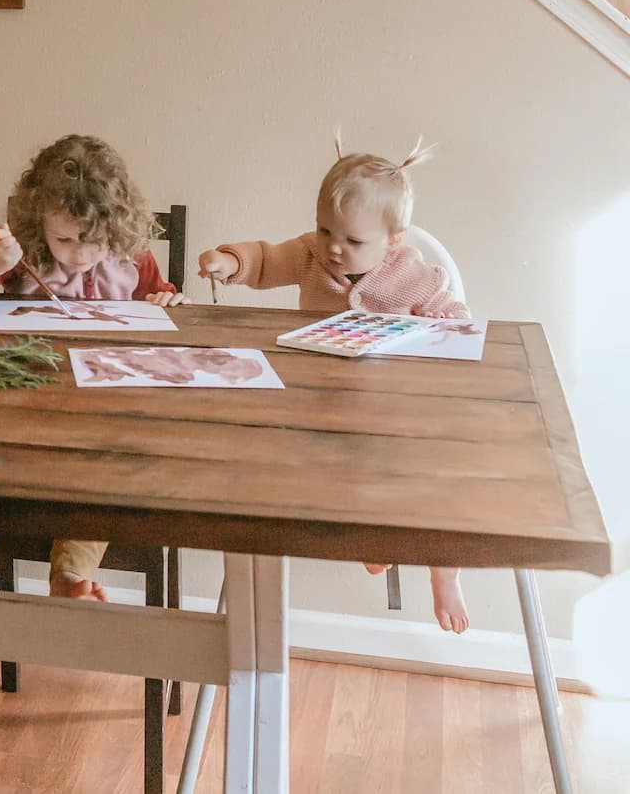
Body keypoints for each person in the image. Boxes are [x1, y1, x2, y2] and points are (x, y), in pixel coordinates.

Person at [199, 139, 471, 632]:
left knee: (432, 483)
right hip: (319, 405)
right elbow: (264, 261)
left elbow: (456, 320)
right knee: (324, 476)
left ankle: (444, 572)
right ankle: (374, 540)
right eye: (325, 229)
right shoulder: (309, 256)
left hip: (394, 411)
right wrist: (228, 261)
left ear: (393, 239)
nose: (333, 247)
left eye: (352, 239)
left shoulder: (412, 273)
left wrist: (440, 323)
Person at [0, 134, 186, 602]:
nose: (79, 253)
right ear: (37, 223)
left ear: (117, 226)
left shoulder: (133, 261)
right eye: (64, 239)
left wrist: (165, 297)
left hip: (99, 421)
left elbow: (161, 296)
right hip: (19, 418)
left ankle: (71, 578)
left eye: (92, 241)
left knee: (103, 472)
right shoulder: (19, 256)